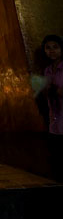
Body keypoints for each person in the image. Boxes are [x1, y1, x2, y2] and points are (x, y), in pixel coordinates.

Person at [41, 34, 63, 180]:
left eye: (55, 47)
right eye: (48, 48)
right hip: (55, 117)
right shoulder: (47, 70)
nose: (51, 51)